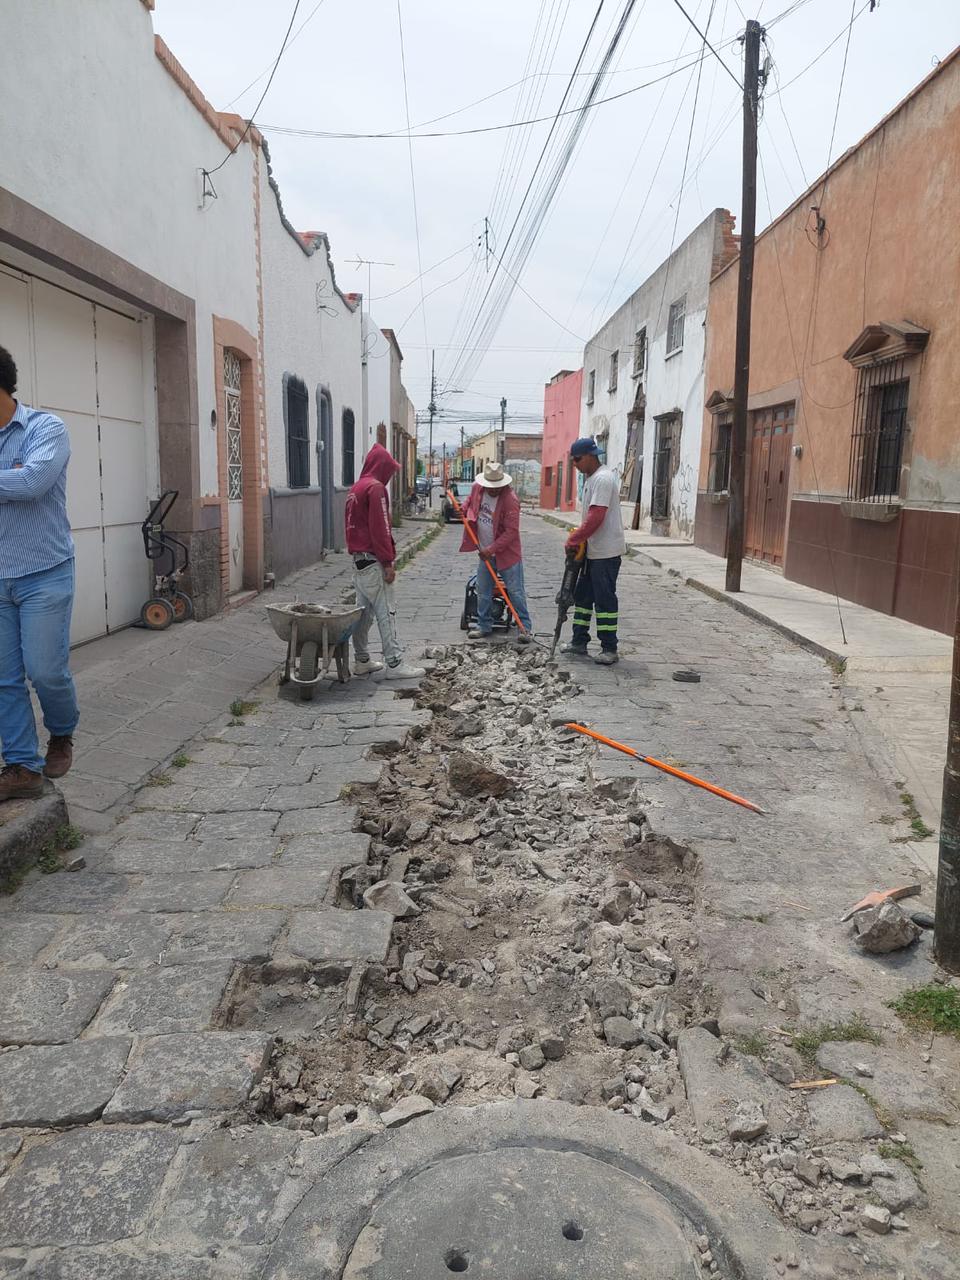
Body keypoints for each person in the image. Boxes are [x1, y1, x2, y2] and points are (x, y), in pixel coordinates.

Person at [0, 344, 79, 800]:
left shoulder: (46, 427)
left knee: (46, 671)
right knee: (4, 678)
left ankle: (63, 731)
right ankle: (22, 767)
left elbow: (32, 481)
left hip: (44, 571)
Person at [345, 443, 425, 680]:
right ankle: (394, 662)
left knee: (363, 614)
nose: (390, 476)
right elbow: (380, 527)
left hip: (358, 561)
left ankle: (362, 660)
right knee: (385, 612)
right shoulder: (376, 488)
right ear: (382, 468)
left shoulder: (356, 488)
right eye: (389, 471)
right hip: (373, 561)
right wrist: (388, 562)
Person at [563, 436, 626, 665]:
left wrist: (574, 538)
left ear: (590, 456)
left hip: (606, 552)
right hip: (591, 551)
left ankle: (609, 647)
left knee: (604, 600)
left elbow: (596, 515)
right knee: (582, 597)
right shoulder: (590, 478)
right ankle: (579, 642)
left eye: (578, 460)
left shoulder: (603, 479)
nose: (575, 465)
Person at [459, 461, 533, 643]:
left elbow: (511, 532)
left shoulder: (510, 500)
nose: (491, 490)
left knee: (515, 591)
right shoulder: (478, 488)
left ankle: (524, 627)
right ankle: (484, 625)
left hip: (507, 554)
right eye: (489, 487)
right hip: (484, 550)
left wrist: (490, 549)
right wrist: (462, 508)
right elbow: (469, 501)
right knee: (483, 590)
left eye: (495, 487)